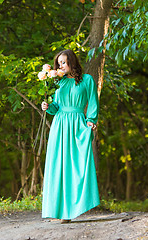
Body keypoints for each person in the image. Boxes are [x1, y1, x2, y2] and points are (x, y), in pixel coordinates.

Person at [41, 49, 99, 224]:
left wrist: (91, 120)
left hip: (77, 125)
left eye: (63, 63)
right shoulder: (58, 83)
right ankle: (60, 212)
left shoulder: (87, 80)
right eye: (59, 64)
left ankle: (75, 208)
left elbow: (93, 101)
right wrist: (47, 106)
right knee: (58, 166)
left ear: (72, 62)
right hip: (59, 126)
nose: (61, 66)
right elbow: (56, 107)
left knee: (77, 166)